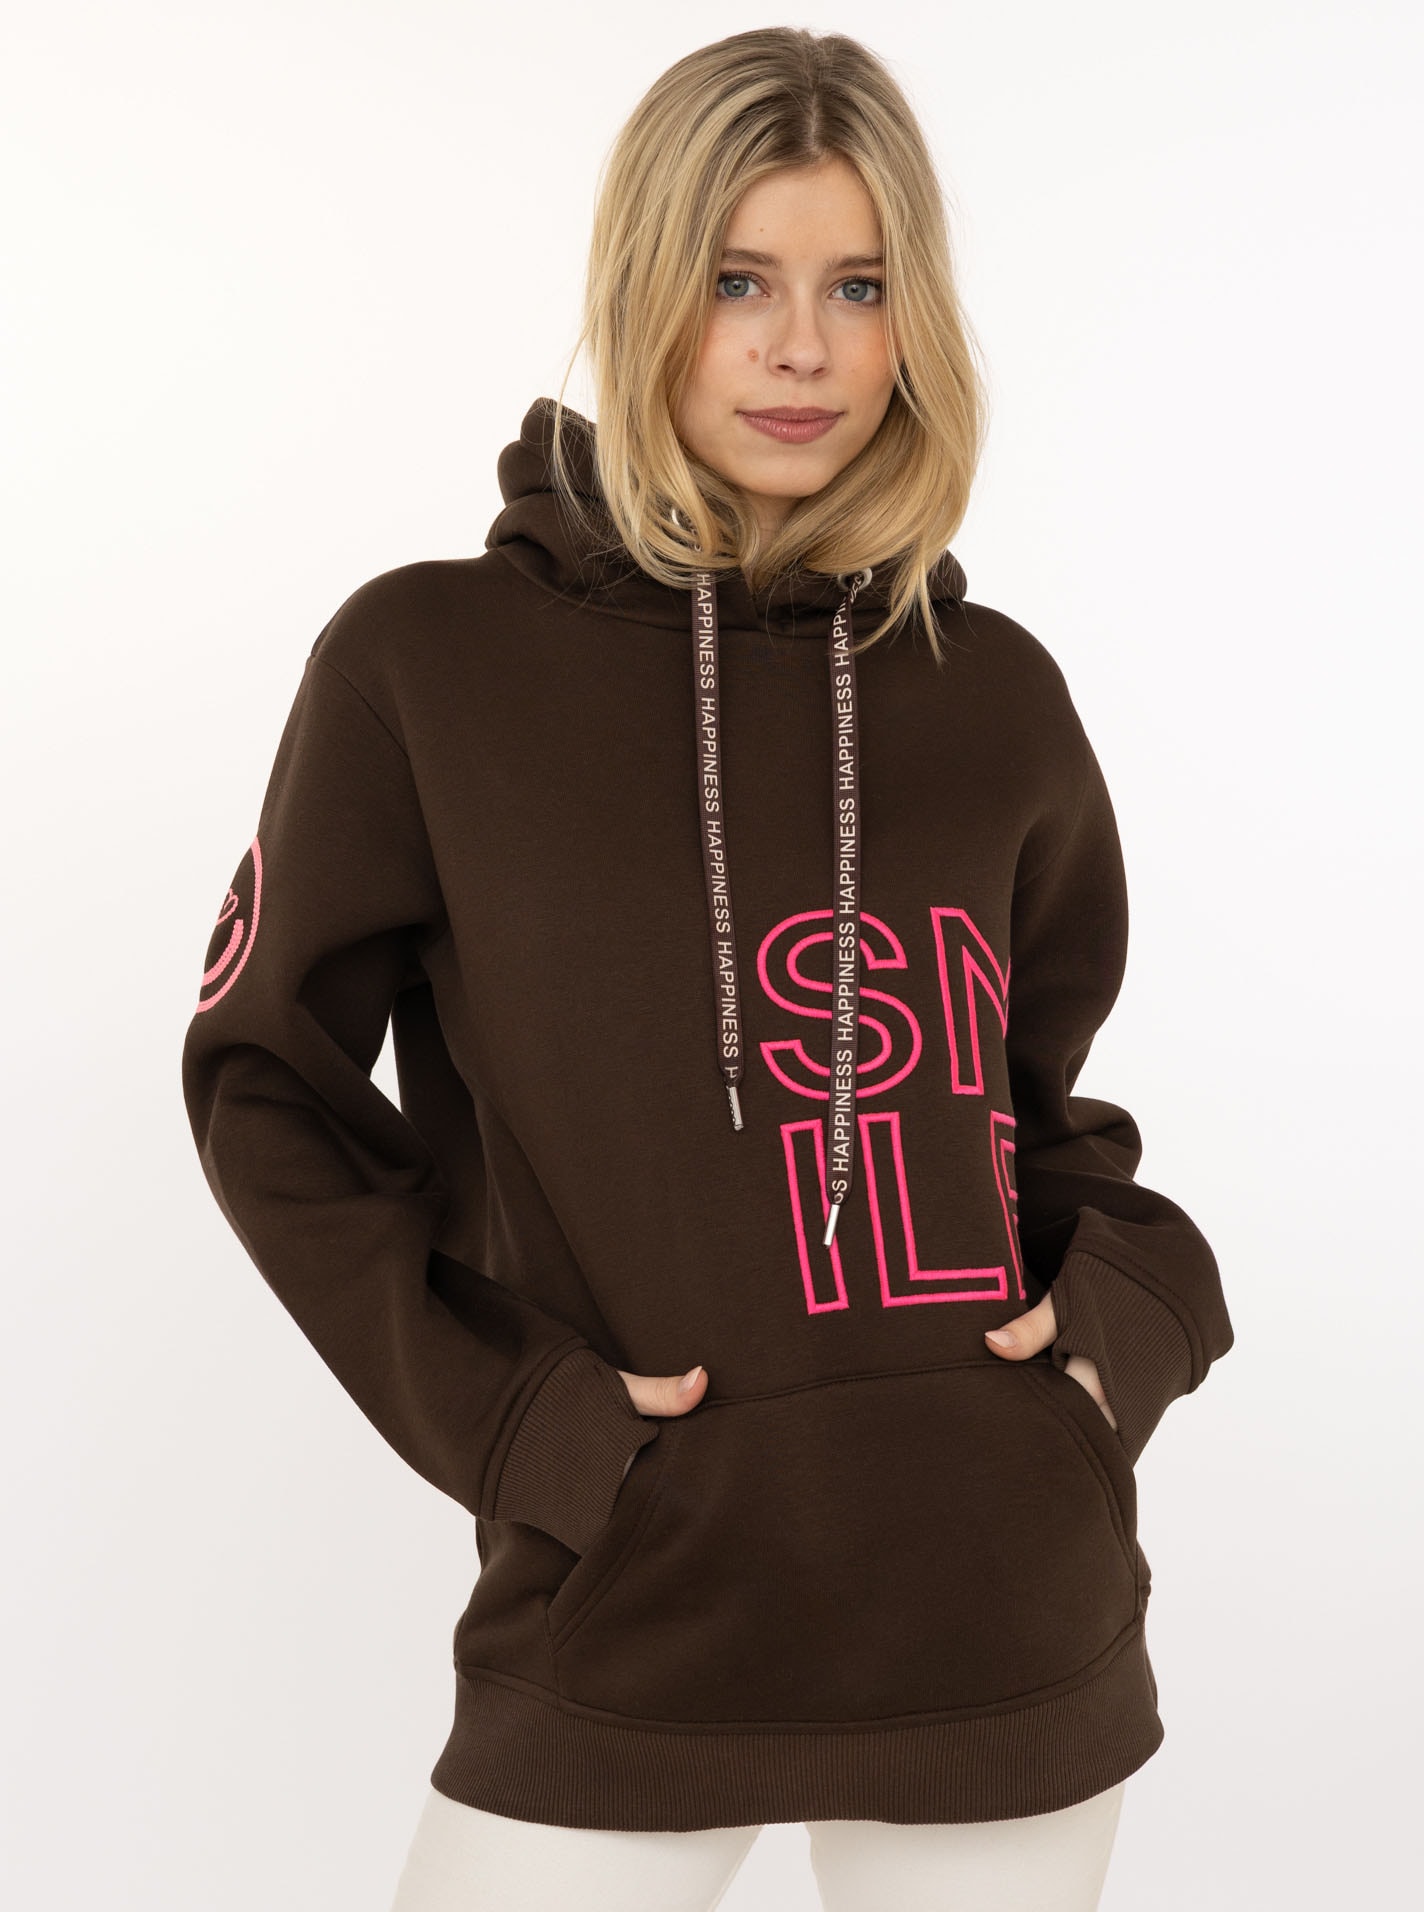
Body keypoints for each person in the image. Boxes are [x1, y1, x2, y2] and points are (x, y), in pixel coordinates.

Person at [180, 26, 1234, 1912]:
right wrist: (520, 1422)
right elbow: (269, 1091)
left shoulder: (991, 692)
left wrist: (1120, 1332)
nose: (800, 348)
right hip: (627, 1608)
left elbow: (1029, 1109)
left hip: (1000, 1609)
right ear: (642, 289)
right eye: (739, 282)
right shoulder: (426, 668)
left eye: (859, 287)